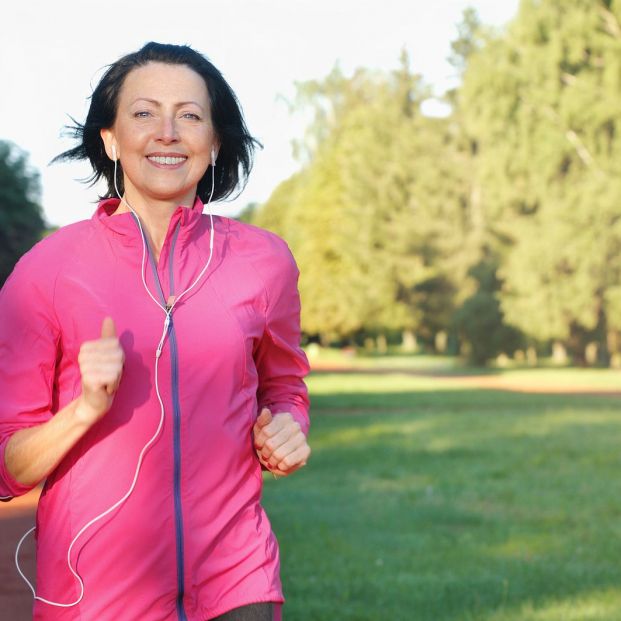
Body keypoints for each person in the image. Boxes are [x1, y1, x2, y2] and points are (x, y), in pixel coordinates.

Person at [0, 42, 311, 621]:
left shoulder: (265, 262)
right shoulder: (45, 273)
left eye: (190, 115)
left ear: (215, 141)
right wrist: (85, 410)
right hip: (93, 598)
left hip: (237, 582)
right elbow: (7, 466)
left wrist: (288, 428)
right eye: (144, 113)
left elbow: (285, 387)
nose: (168, 132)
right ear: (110, 139)